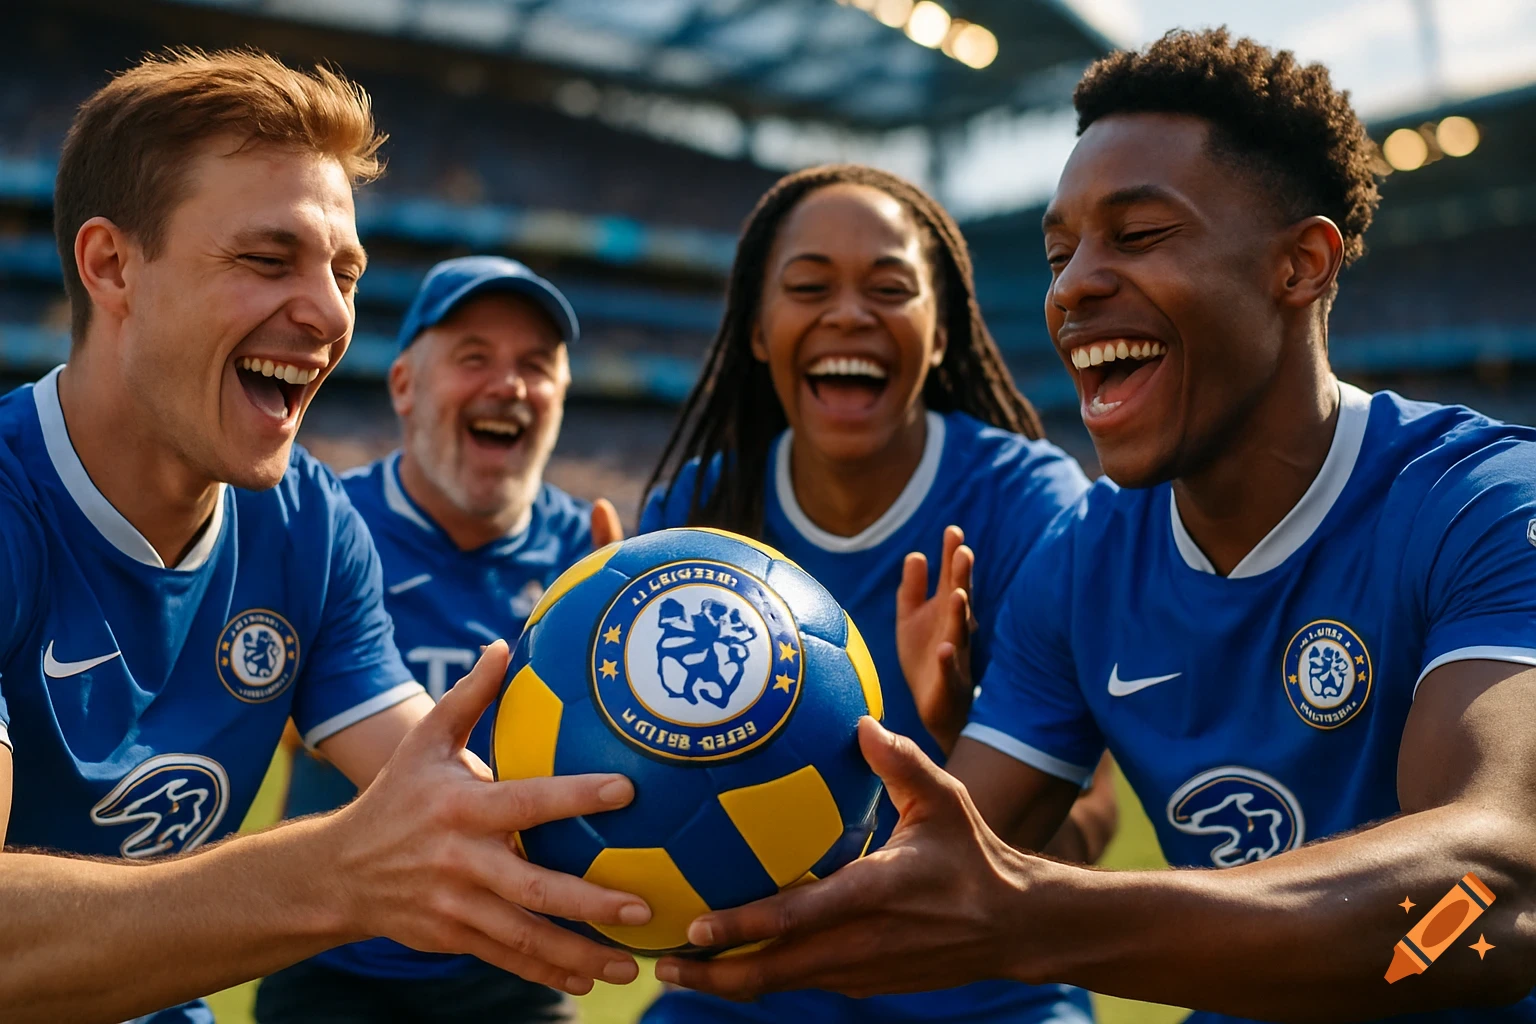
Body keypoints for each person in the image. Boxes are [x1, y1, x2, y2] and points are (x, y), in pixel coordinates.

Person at [649, 30, 1536, 1023]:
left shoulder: (1485, 503)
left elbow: (1486, 903)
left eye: (1140, 234)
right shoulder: (1082, 562)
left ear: (1301, 263)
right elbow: (948, 868)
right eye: (1060, 253)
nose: (1071, 288)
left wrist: (1038, 921)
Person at [0, 50, 650, 1024]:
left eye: (344, 271)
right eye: (269, 259)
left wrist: (692, 769)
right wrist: (336, 876)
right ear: (111, 265)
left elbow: (435, 791)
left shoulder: (306, 523)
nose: (330, 313)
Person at [638, 163, 1115, 1024]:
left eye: (890, 287)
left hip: (984, 995)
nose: (849, 313)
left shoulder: (1029, 507)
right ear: (757, 328)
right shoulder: (694, 518)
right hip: (753, 994)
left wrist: (956, 740)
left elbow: (1085, 839)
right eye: (809, 285)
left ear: (940, 332)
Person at [256, 255, 623, 1023]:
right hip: (337, 959)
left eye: (535, 365)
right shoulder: (323, 530)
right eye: (474, 358)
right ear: (404, 387)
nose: (509, 385)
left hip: (516, 961)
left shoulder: (596, 566)